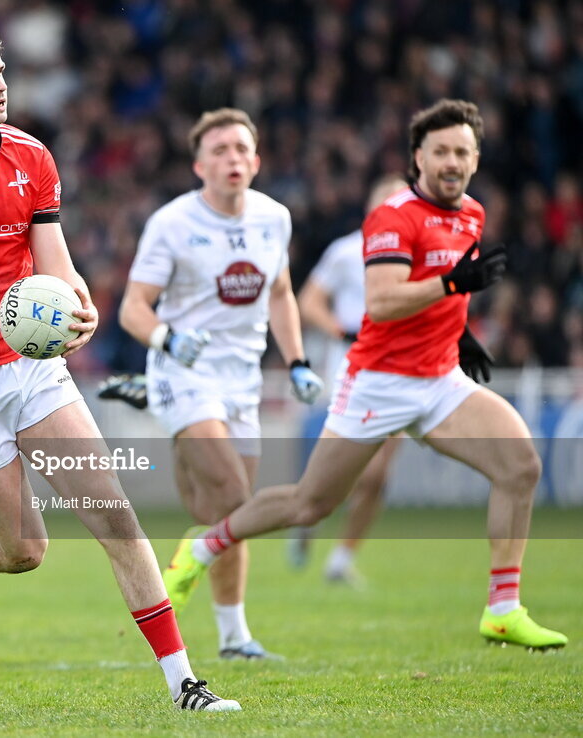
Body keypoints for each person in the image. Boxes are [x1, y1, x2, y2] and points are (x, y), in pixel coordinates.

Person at [0, 16, 239, 711]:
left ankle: (184, 683)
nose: (0, 84)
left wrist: (80, 305)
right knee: (24, 550)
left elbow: (53, 262)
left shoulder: (31, 156)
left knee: (116, 520)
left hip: (32, 370)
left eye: (1, 71)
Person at [161, 99, 567, 651]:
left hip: (441, 377)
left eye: (463, 152)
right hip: (380, 381)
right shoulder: (393, 216)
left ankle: (502, 608)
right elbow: (383, 300)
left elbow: (449, 287)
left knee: (521, 464)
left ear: (475, 159)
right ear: (418, 157)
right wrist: (453, 284)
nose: (452, 162)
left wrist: (462, 333)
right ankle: (204, 547)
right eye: (441, 151)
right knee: (311, 503)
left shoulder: (471, 212)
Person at [118, 108, 324, 660]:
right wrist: (166, 338)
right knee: (236, 499)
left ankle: (234, 638)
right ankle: (196, 557)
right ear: (198, 164)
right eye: (219, 150)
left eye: (240, 149)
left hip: (243, 382)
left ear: (256, 161)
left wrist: (298, 360)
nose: (232, 159)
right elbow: (132, 308)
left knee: (224, 515)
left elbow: (280, 293)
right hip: (182, 374)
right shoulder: (173, 223)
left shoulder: (274, 218)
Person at [290, 174, 409, 585]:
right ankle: (308, 507)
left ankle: (341, 556)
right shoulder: (346, 252)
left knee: (379, 475)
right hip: (353, 369)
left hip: (401, 372)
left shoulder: (415, 255)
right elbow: (308, 301)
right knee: (355, 468)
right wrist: (343, 331)